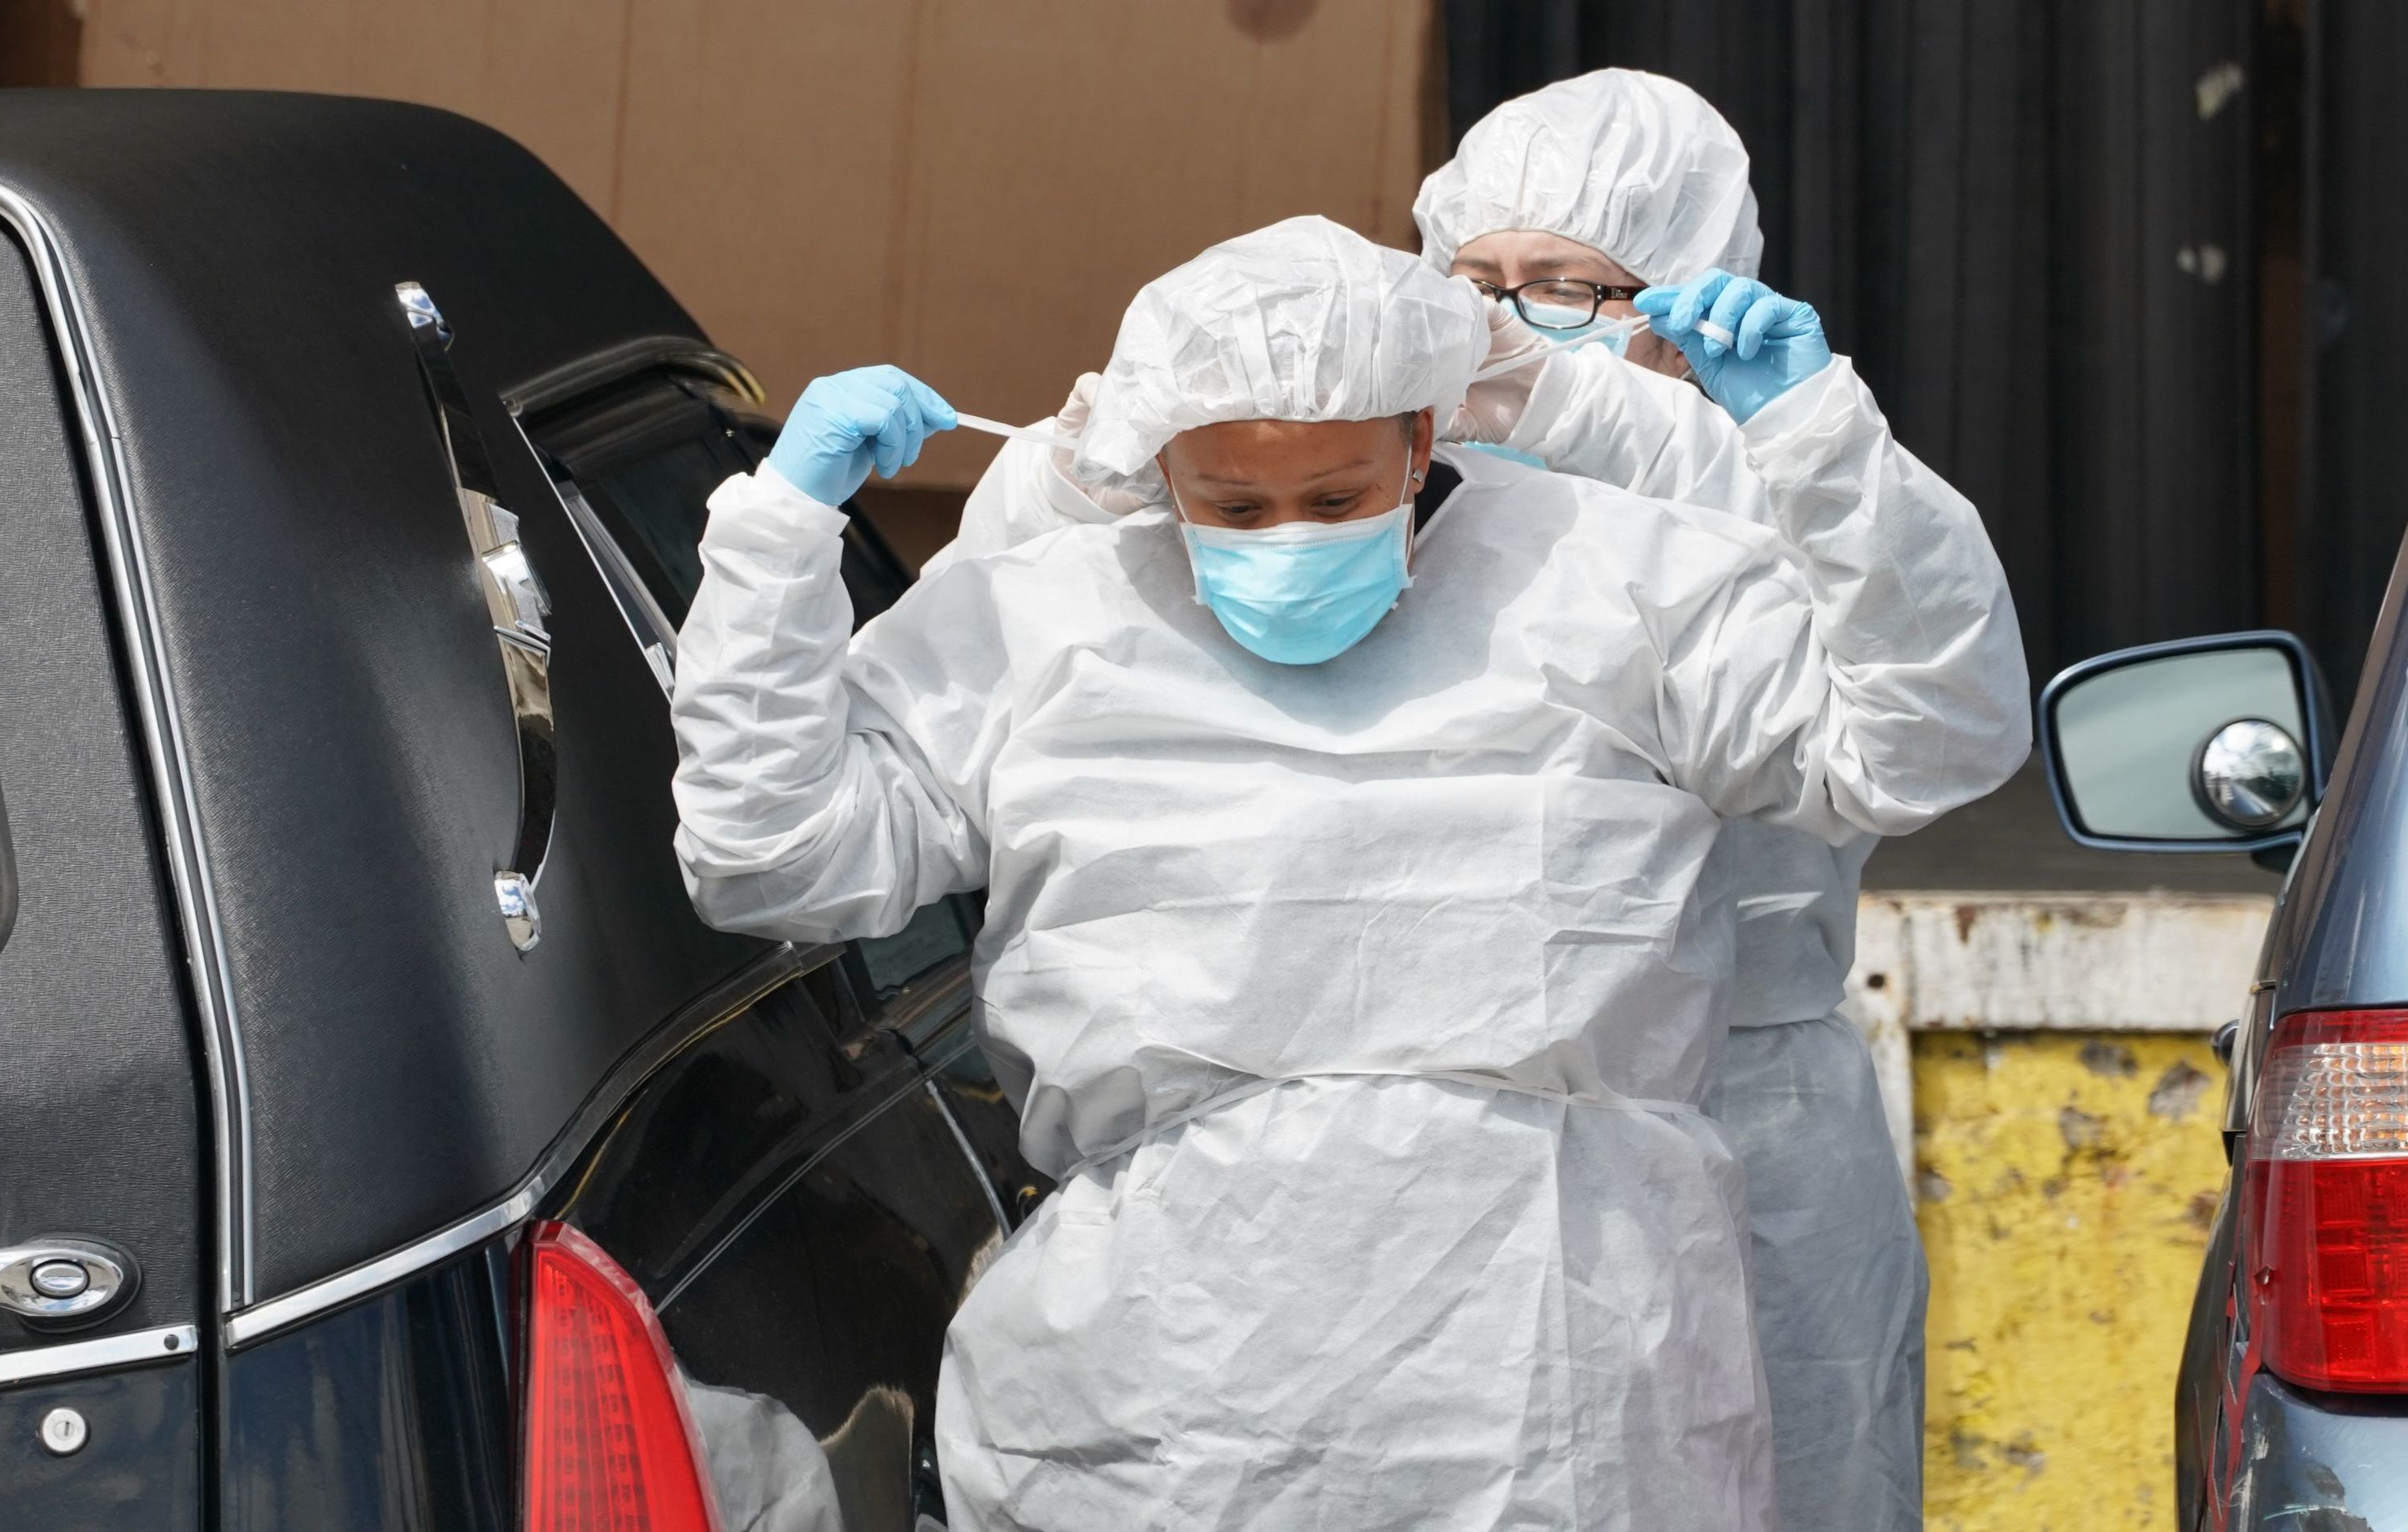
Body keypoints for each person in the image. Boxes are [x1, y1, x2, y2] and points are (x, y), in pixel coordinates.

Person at [671, 214, 2022, 1529]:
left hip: (1558, 1375)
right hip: (1166, 1394)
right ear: (1160, 470)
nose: (1289, 541)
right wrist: (778, 535)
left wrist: (1819, 440)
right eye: (1233, 504)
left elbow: (1925, 741)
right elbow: (773, 855)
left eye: (1336, 497)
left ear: (1425, 435)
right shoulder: (1050, 620)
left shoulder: (1610, 584)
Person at [1410, 67, 2024, 1530]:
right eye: (1475, 278)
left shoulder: (1787, 480)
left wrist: (1765, 430)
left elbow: (1940, 702)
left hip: (1749, 1122)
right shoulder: (1405, 504)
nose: (1506, 320)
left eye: (1562, 283)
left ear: (1678, 306)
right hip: (1461, 1126)